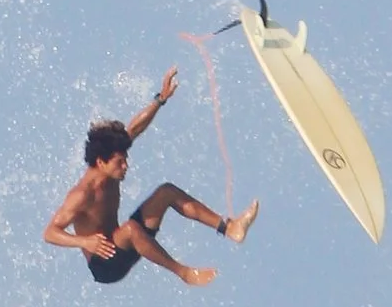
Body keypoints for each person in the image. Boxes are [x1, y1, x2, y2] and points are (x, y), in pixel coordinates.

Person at [45, 69, 260, 288]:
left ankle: (229, 228)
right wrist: (84, 242)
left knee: (166, 192)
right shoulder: (82, 195)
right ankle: (185, 273)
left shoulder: (111, 158)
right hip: (106, 265)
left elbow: (134, 128)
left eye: (125, 159)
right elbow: (50, 233)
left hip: (126, 243)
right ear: (101, 162)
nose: (126, 166)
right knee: (130, 228)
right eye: (120, 162)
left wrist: (161, 99)